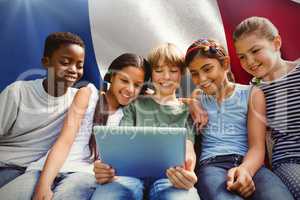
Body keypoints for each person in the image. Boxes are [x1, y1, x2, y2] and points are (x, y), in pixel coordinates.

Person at [0, 53, 151, 200]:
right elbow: (64, 141)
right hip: (46, 168)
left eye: (137, 85)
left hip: (84, 175)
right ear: (112, 77)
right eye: (124, 80)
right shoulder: (88, 94)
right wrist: (43, 185)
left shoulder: (129, 116)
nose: (130, 89)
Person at [185, 38, 294, 200]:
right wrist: (190, 102)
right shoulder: (199, 99)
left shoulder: (252, 94)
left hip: (251, 164)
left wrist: (245, 170)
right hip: (212, 166)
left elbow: (257, 146)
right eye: (194, 74)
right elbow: (167, 102)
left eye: (207, 69)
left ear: (225, 64)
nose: (201, 79)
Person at [91, 43, 200, 200]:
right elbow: (121, 141)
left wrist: (189, 172)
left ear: (182, 73)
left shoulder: (186, 111)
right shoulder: (136, 103)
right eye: (159, 70)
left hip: (170, 178)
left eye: (173, 71)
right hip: (129, 176)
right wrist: (105, 168)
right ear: (151, 75)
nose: (166, 77)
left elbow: (189, 150)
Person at [0, 32, 85, 188]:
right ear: (46, 62)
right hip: (7, 165)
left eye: (79, 66)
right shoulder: (18, 92)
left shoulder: (79, 99)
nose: (74, 70)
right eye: (65, 62)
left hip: (40, 170)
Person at [233, 16, 300, 199]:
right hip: (289, 160)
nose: (250, 61)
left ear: (276, 42)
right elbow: (256, 144)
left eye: (255, 50)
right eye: (242, 57)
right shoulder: (253, 92)